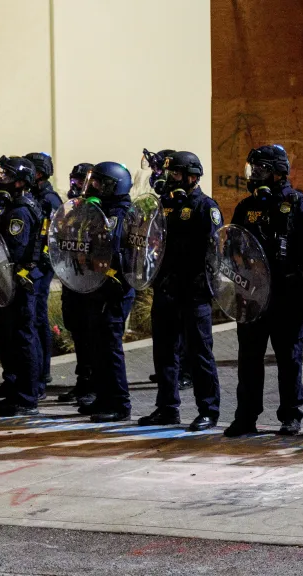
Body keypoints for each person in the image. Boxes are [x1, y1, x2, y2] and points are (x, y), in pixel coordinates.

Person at [225, 145, 303, 437]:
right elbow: (232, 249)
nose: (253, 175)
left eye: (260, 169)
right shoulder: (245, 207)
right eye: (252, 169)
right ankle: (246, 416)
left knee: (289, 360)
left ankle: (290, 416)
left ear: (278, 173)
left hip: (285, 299)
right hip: (253, 297)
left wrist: (302, 287)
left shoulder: (299, 206)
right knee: (249, 360)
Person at [137, 152, 223, 431]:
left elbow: (214, 253)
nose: (168, 178)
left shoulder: (204, 207)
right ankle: (167, 408)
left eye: (174, 174)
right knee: (164, 352)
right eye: (167, 173)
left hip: (194, 291)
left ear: (192, 177)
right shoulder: (163, 206)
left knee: (199, 353)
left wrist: (204, 286)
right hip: (166, 288)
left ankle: (208, 410)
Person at [63, 162, 137, 422]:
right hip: (96, 287)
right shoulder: (96, 210)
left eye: (98, 182)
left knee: (110, 347)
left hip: (114, 290)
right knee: (97, 347)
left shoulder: (121, 213)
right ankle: (103, 398)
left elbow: (113, 249)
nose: (91, 186)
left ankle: (119, 403)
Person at [0, 156, 43, 416]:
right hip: (11, 284)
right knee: (14, 339)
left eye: (7, 177)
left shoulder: (19, 211)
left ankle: (25, 396)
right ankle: (15, 390)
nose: (1, 180)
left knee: (23, 340)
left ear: (21, 182)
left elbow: (14, 250)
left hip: (19, 284)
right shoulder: (12, 206)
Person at [142, 149, 192, 391]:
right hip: (165, 276)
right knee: (168, 334)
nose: (159, 176)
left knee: (184, 330)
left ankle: (185, 371)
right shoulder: (165, 200)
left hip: (185, 279)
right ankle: (171, 372)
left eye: (162, 171)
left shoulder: (192, 203)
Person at [57, 163, 96, 406]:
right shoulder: (71, 209)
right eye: (74, 180)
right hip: (71, 278)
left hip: (89, 281)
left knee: (91, 336)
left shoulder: (95, 211)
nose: (76, 185)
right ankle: (82, 384)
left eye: (80, 181)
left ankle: (93, 387)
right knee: (78, 334)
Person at [22, 152, 61, 394]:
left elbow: (56, 232)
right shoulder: (31, 196)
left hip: (42, 266)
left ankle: (42, 372)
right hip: (31, 264)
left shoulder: (49, 199)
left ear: (37, 173)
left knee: (37, 317)